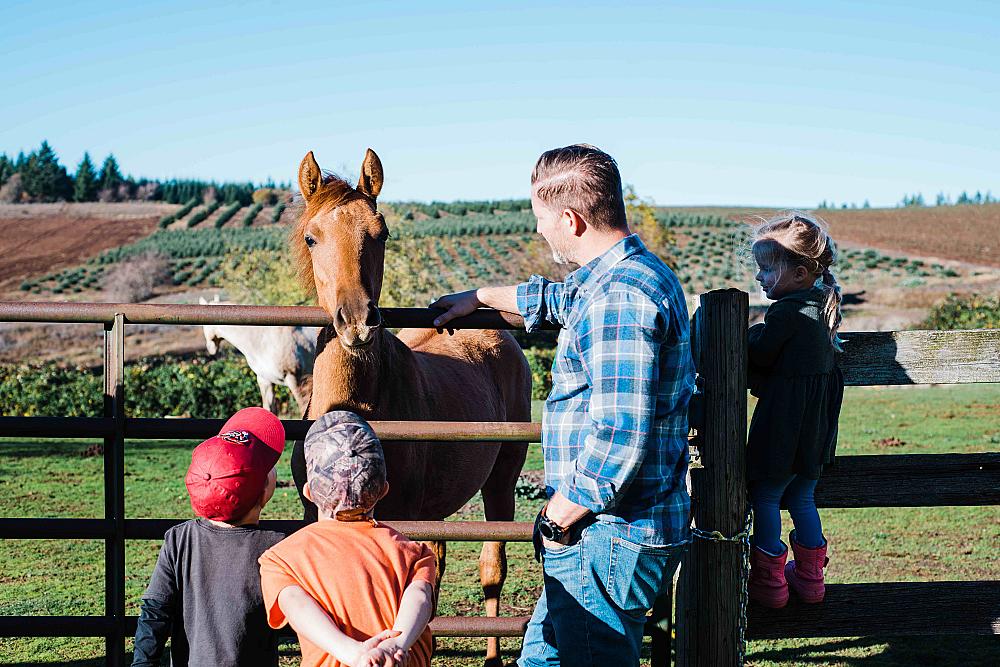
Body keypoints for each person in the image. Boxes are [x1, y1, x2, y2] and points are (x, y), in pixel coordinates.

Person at [431, 144, 694, 667]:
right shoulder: (626, 276)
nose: (538, 230)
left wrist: (556, 517)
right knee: (541, 658)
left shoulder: (621, 296)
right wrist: (482, 298)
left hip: (605, 532)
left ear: (571, 220)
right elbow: (561, 300)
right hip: (601, 532)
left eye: (541, 218)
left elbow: (620, 431)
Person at [258, 411, 436, 667]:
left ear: (308, 492)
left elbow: (296, 607)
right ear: (384, 490)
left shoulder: (282, 559)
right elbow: (420, 597)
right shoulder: (413, 551)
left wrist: (355, 654)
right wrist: (397, 645)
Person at [132, 407, 287, 667]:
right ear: (262, 492)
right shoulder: (277, 546)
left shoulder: (180, 540)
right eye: (268, 466)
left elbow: (154, 614)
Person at [745, 211, 845, 608]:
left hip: (786, 424)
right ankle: (810, 580)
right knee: (803, 496)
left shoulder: (787, 312)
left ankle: (770, 586)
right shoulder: (822, 305)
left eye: (767, 269)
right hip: (816, 428)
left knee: (766, 496)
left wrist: (747, 335)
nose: (760, 277)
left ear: (801, 273)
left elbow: (764, 354)